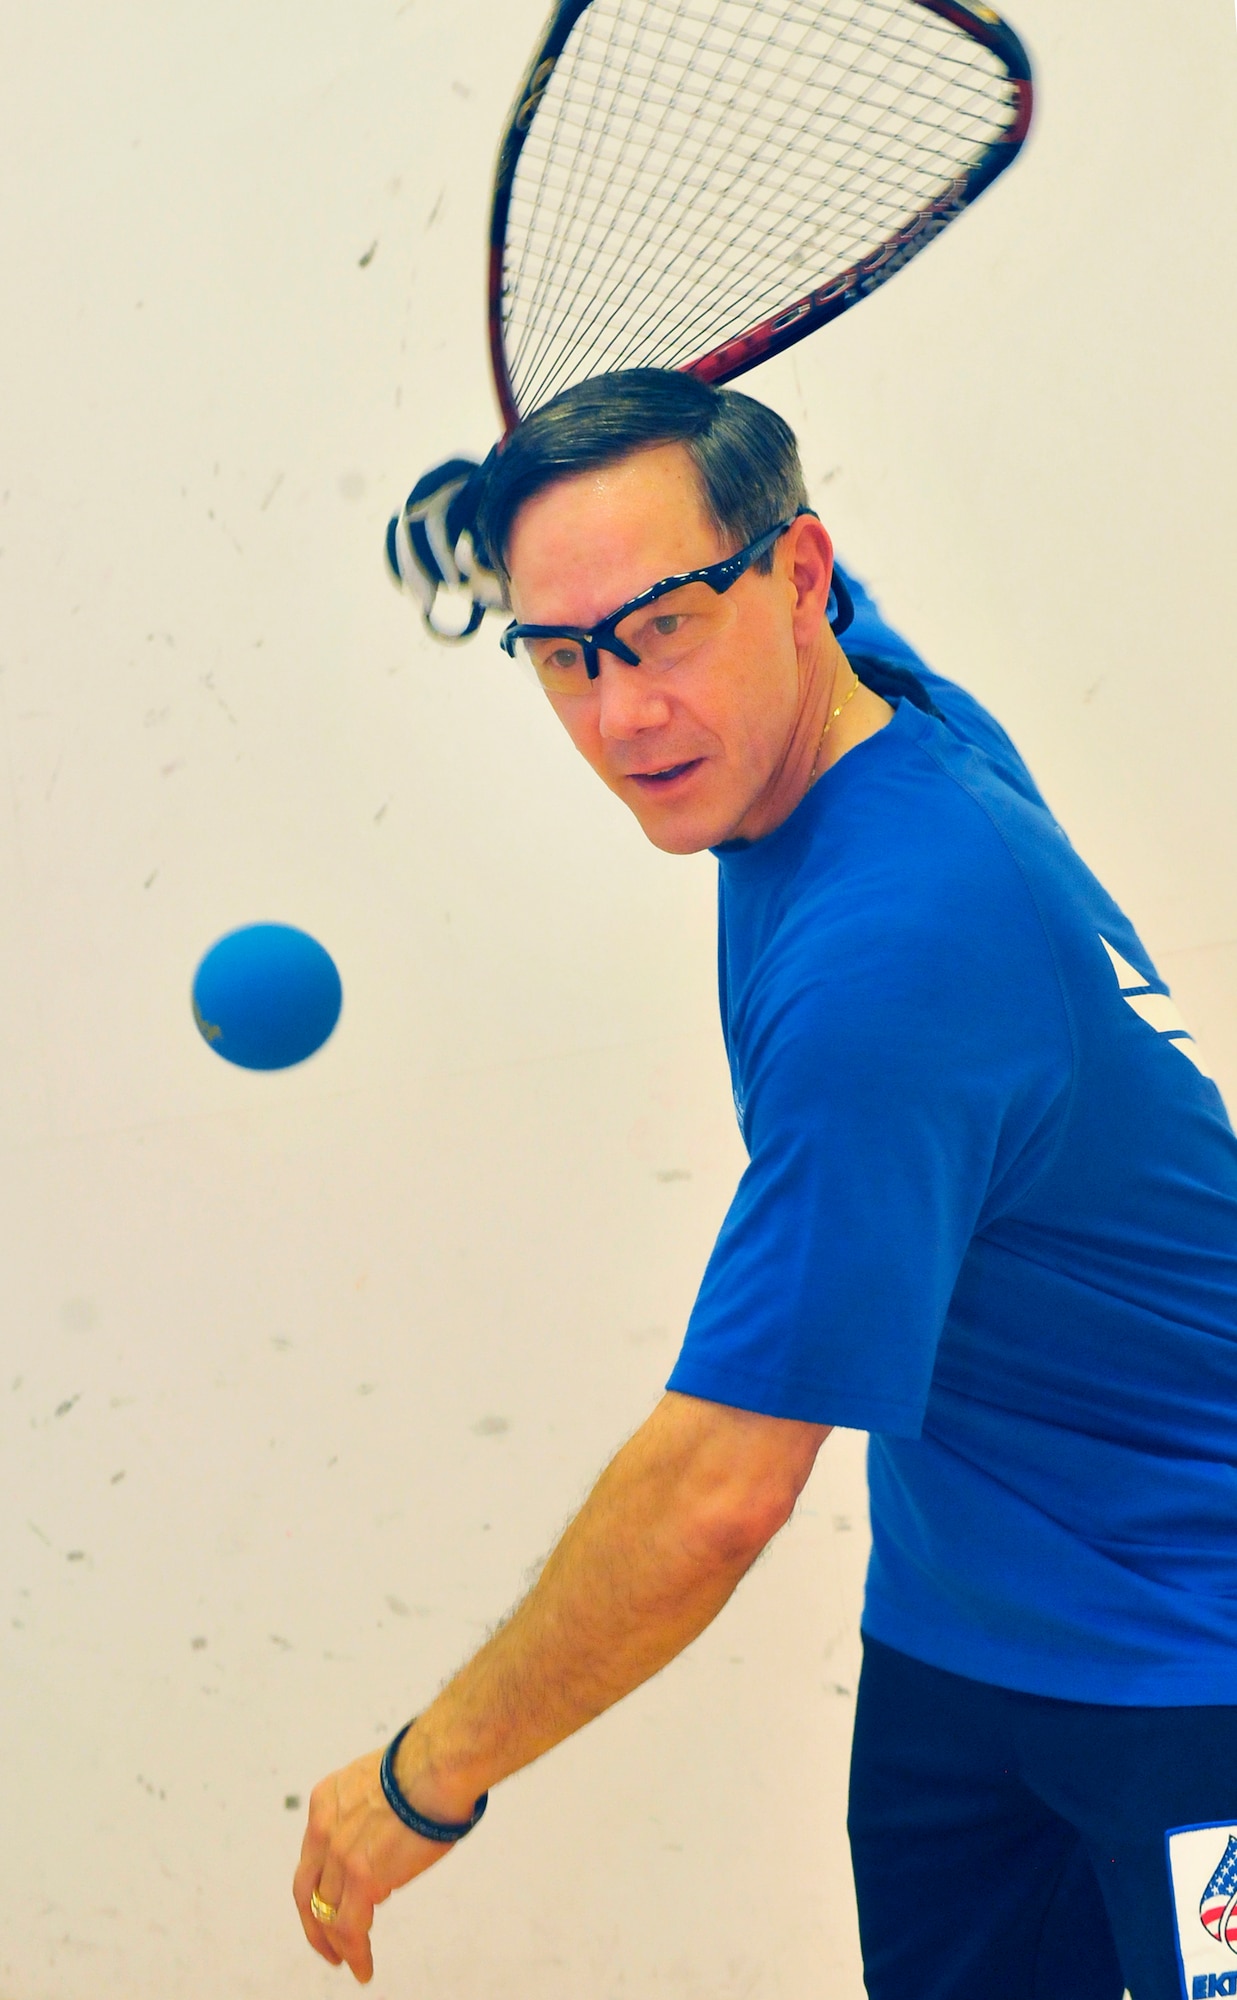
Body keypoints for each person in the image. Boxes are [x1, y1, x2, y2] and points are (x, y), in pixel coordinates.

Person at [294, 370, 1237, 2000]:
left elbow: (716, 1496)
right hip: (961, 1630)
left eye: (657, 631)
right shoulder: (863, 686)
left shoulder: (896, 967)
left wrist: (423, 1774)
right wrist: (521, 536)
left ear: (795, 578)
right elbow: (641, 592)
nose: (621, 718)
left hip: (1196, 1654)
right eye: (562, 655)